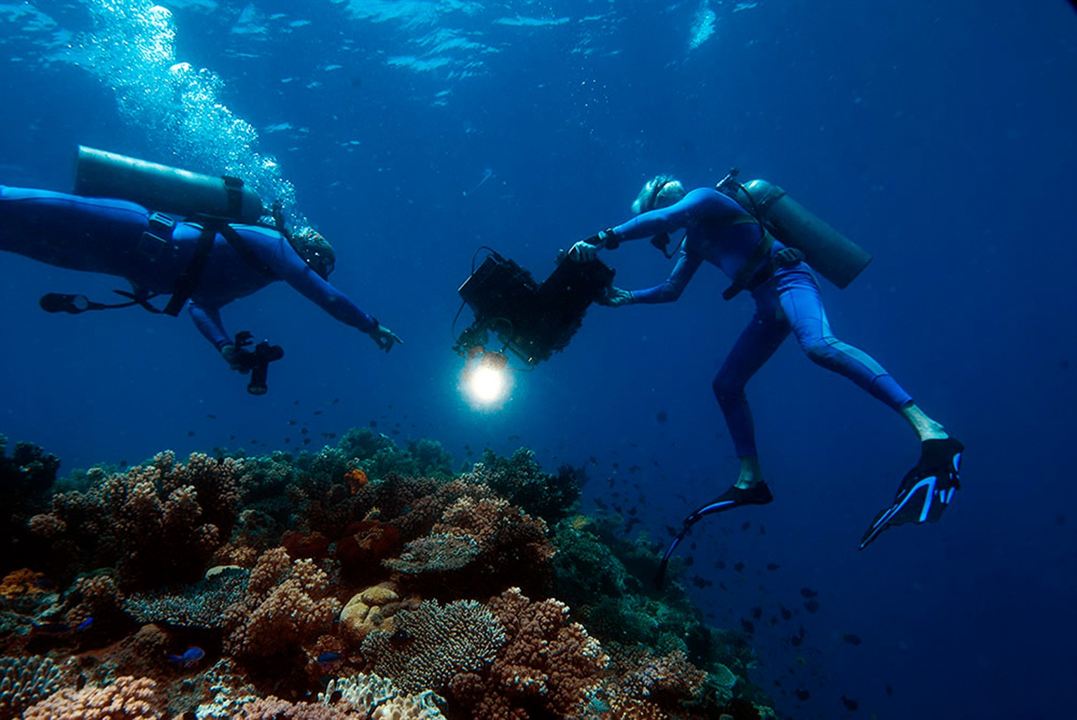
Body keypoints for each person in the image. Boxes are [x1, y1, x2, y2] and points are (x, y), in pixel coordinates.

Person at [568, 175, 963, 549]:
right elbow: (672, 290)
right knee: (726, 385)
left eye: (655, 222)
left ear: (659, 202)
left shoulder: (705, 198)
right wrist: (625, 297)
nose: (662, 232)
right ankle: (750, 480)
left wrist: (604, 237)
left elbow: (666, 218)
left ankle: (932, 431)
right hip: (767, 302)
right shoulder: (693, 241)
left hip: (789, 278)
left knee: (819, 345)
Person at [0, 185, 401, 379]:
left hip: (111, 259)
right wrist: (370, 325)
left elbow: (202, 304)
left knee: (12, 238)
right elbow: (325, 297)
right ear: (307, 250)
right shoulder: (274, 244)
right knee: (10, 205)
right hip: (131, 228)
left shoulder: (256, 276)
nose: (317, 272)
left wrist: (224, 347)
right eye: (319, 264)